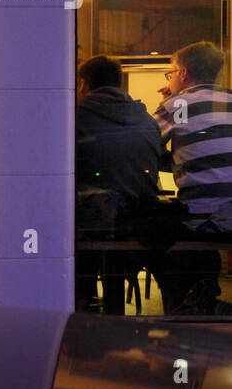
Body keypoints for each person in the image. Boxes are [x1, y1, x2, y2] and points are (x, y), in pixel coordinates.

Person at [72, 56, 163, 311]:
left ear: (83, 84)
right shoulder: (148, 120)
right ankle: (109, 311)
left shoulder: (74, 116)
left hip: (96, 224)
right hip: (139, 221)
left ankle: (83, 307)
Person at [151, 41, 232, 312]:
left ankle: (183, 308)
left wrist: (168, 103)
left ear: (183, 73)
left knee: (154, 237)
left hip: (203, 216)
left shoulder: (179, 104)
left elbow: (145, 145)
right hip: (228, 215)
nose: (170, 79)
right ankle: (205, 291)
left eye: (171, 73)